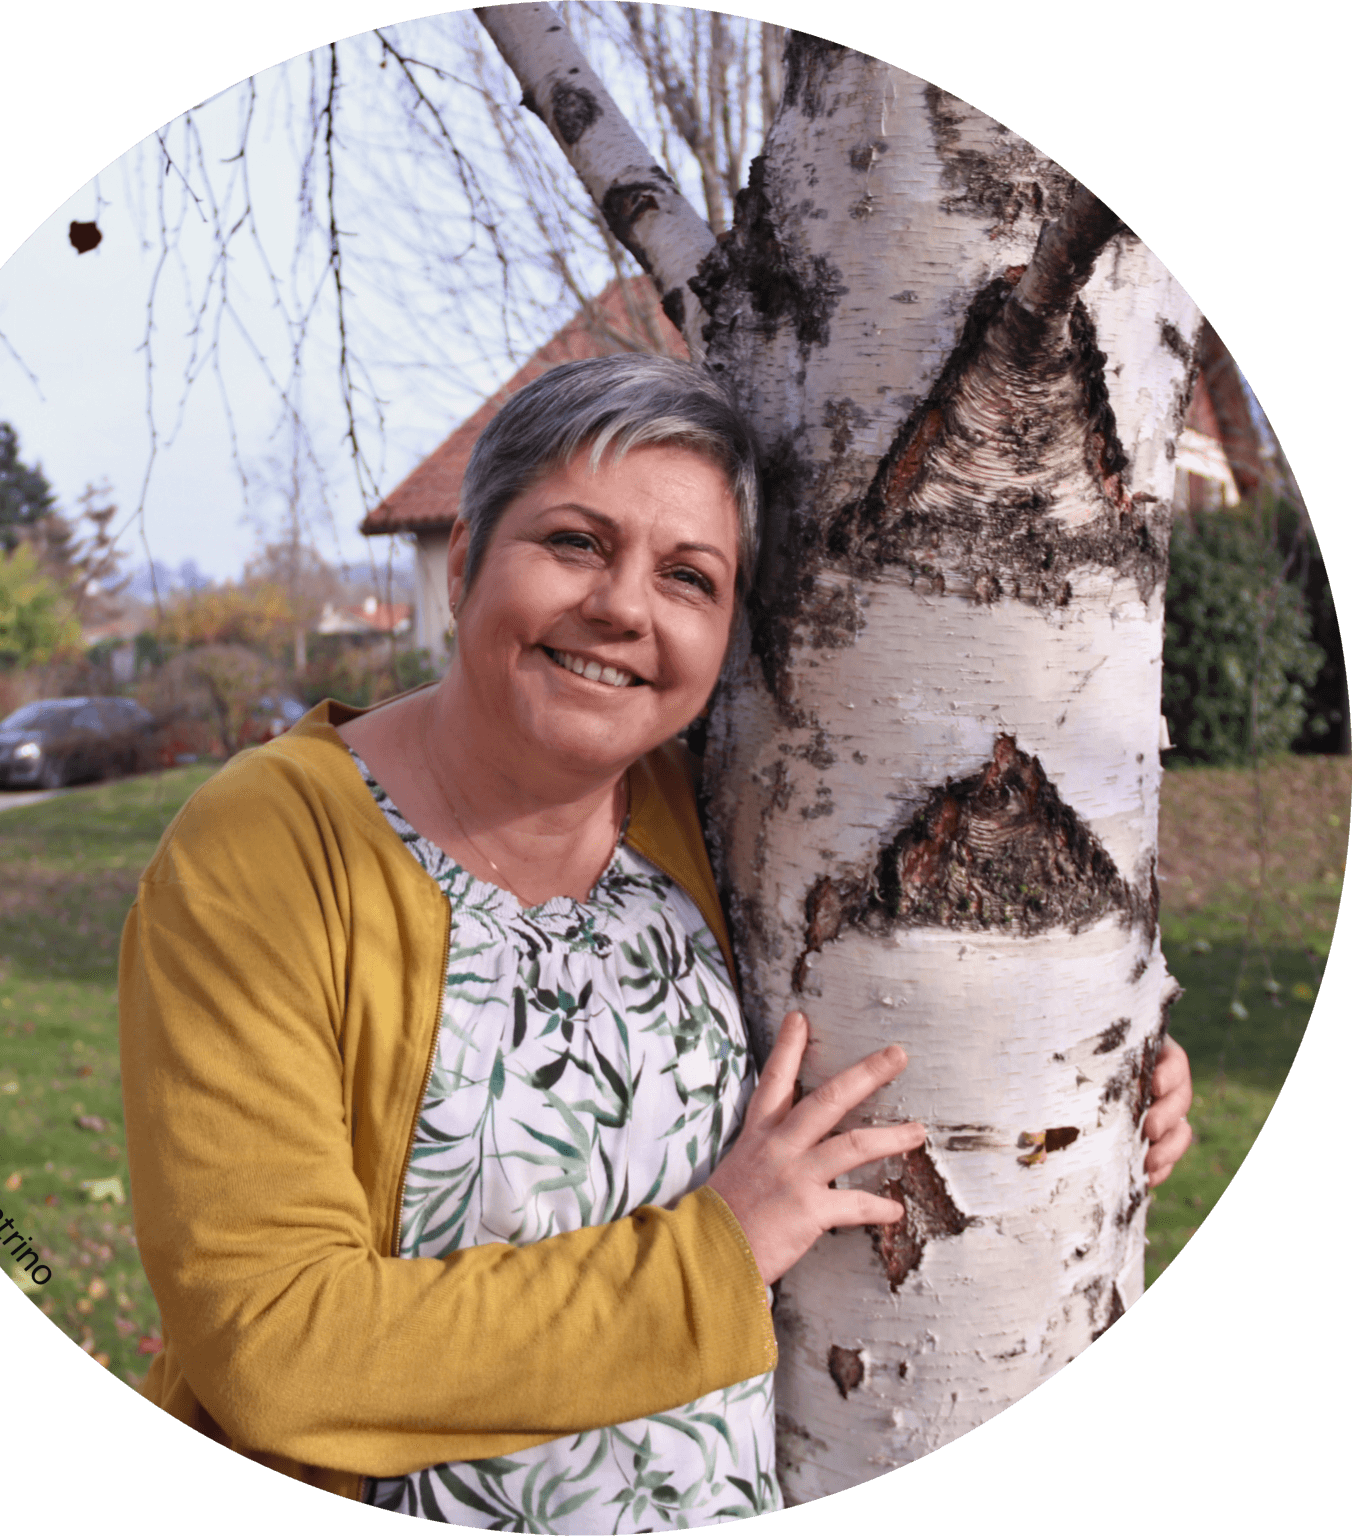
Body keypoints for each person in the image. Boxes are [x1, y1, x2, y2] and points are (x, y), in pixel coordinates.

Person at [119, 354, 1193, 1524]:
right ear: (467, 563)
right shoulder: (266, 849)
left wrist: (1079, 1092)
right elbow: (276, 1351)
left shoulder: (721, 817)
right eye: (575, 542)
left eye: (689, 576)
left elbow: (895, 1030)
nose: (625, 606)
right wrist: (716, 1259)